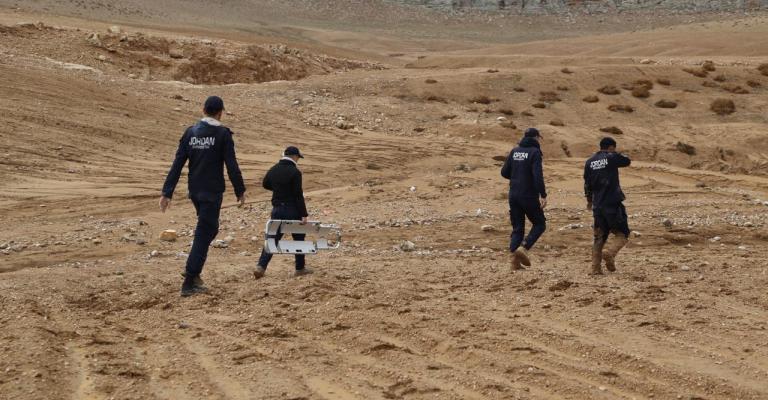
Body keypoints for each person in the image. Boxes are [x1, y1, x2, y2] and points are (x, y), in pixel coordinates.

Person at [160, 96, 246, 296]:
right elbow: (231, 165)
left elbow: (177, 164)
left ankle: (194, 271)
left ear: (203, 109)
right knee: (205, 231)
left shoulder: (190, 132)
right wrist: (240, 190)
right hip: (212, 192)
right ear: (220, 113)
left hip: (195, 191)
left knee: (209, 229)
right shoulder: (222, 134)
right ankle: (190, 278)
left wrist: (167, 192)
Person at [254, 146, 312, 279]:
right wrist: (304, 214)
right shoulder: (295, 172)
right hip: (292, 209)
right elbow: (298, 195)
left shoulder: (274, 169)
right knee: (298, 238)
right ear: (294, 156)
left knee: (272, 238)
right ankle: (300, 268)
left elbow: (265, 184)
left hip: (277, 209)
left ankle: (261, 266)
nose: (298, 160)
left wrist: (278, 189)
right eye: (298, 157)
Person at [501, 127, 547, 270]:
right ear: (535, 138)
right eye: (538, 138)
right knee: (540, 224)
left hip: (513, 194)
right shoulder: (535, 152)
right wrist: (543, 194)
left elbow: (504, 172)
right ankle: (524, 247)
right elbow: (537, 176)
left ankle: (514, 262)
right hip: (528, 195)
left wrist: (517, 175)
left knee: (518, 228)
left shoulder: (515, 151)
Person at [584, 137, 632, 275]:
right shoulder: (611, 157)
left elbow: (587, 184)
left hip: (597, 204)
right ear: (611, 147)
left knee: (599, 237)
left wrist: (589, 201)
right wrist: (614, 154)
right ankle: (610, 253)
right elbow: (627, 161)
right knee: (622, 233)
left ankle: (595, 268)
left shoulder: (589, 161)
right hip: (612, 203)